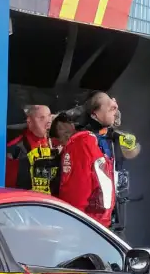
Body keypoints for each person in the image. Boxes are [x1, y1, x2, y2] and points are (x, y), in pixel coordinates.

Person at [58, 93, 138, 230]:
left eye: (115, 106)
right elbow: (77, 191)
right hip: (88, 225)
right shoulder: (83, 143)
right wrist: (77, 226)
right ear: (94, 114)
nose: (115, 108)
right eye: (110, 107)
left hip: (105, 223)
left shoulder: (109, 139)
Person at [5, 104, 58, 194]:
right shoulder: (17, 147)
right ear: (29, 122)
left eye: (49, 117)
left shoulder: (57, 144)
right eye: (42, 118)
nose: (48, 121)